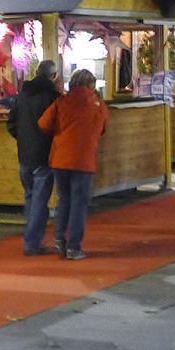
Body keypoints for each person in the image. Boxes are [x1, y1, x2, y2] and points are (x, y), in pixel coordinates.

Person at [38, 69, 109, 260]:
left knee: (64, 200)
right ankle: (74, 247)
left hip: (60, 159)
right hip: (84, 160)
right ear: (91, 85)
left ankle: (59, 239)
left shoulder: (61, 102)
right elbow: (103, 128)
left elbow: (44, 124)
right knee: (79, 203)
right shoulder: (98, 105)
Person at [10, 60, 62, 255]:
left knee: (30, 197)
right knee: (40, 200)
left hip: (24, 153)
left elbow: (11, 123)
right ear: (53, 76)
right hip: (44, 154)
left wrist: (23, 139)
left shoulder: (22, 95)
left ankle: (31, 238)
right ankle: (32, 242)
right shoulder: (53, 98)